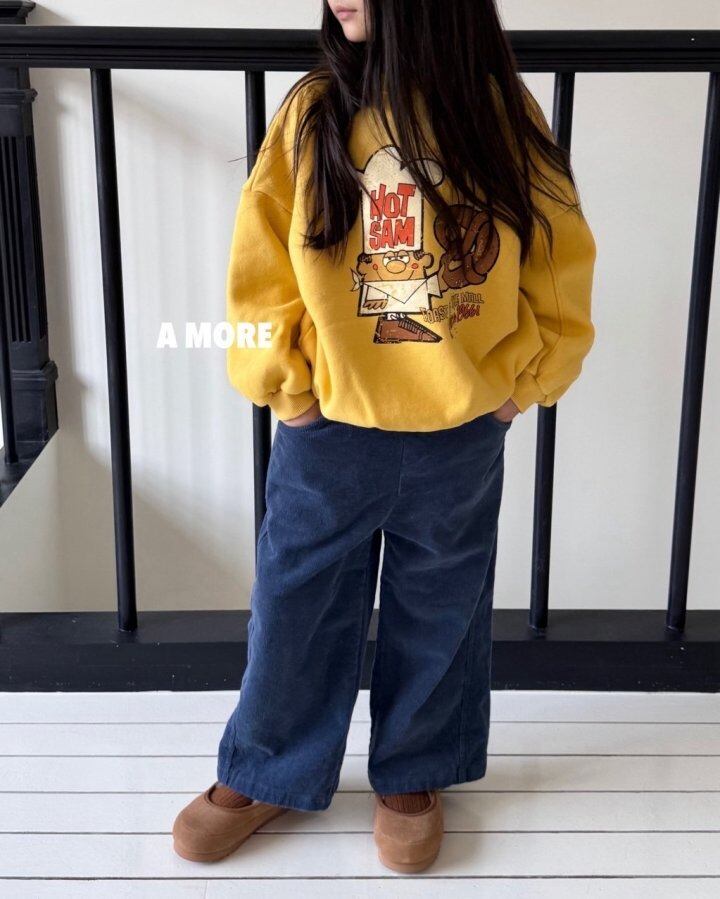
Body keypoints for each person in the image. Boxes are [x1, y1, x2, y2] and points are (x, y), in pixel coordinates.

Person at [173, 0, 596, 872]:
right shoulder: (315, 109)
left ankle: (414, 770)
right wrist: (286, 389)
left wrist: (525, 383)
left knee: (442, 605)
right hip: (329, 428)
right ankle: (267, 766)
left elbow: (559, 254)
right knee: (295, 600)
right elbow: (261, 261)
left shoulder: (500, 114)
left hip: (461, 429)